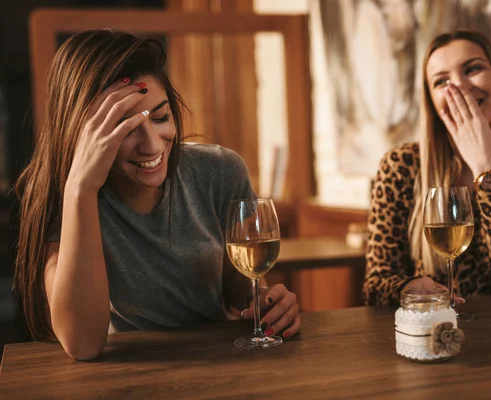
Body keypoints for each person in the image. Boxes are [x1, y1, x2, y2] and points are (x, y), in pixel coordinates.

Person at [14, 30, 300, 360]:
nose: (152, 145)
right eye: (124, 129)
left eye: (161, 117)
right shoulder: (67, 196)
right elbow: (82, 344)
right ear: (83, 134)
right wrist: (81, 188)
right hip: (131, 371)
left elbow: (237, 281)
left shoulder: (220, 170)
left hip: (217, 361)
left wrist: (266, 301)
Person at [363, 30, 491, 306]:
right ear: (432, 103)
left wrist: (487, 169)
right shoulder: (400, 165)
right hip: (431, 337)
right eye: (441, 81)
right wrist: (408, 288)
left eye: (472, 69)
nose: (459, 87)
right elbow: (375, 285)